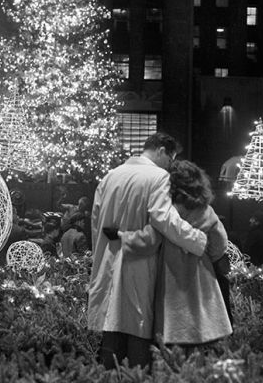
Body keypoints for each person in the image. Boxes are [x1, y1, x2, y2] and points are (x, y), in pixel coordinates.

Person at [87, 132, 211, 370]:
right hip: (139, 263)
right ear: (161, 151)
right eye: (171, 158)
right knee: (138, 330)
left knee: (110, 329)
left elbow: (95, 223)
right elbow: (165, 219)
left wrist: (99, 256)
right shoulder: (158, 176)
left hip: (108, 261)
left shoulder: (110, 176)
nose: (171, 164)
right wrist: (197, 240)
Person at [154, 160, 233, 345]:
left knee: (169, 330)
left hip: (168, 271)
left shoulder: (164, 209)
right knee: (199, 329)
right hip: (200, 272)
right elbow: (219, 245)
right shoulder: (205, 210)